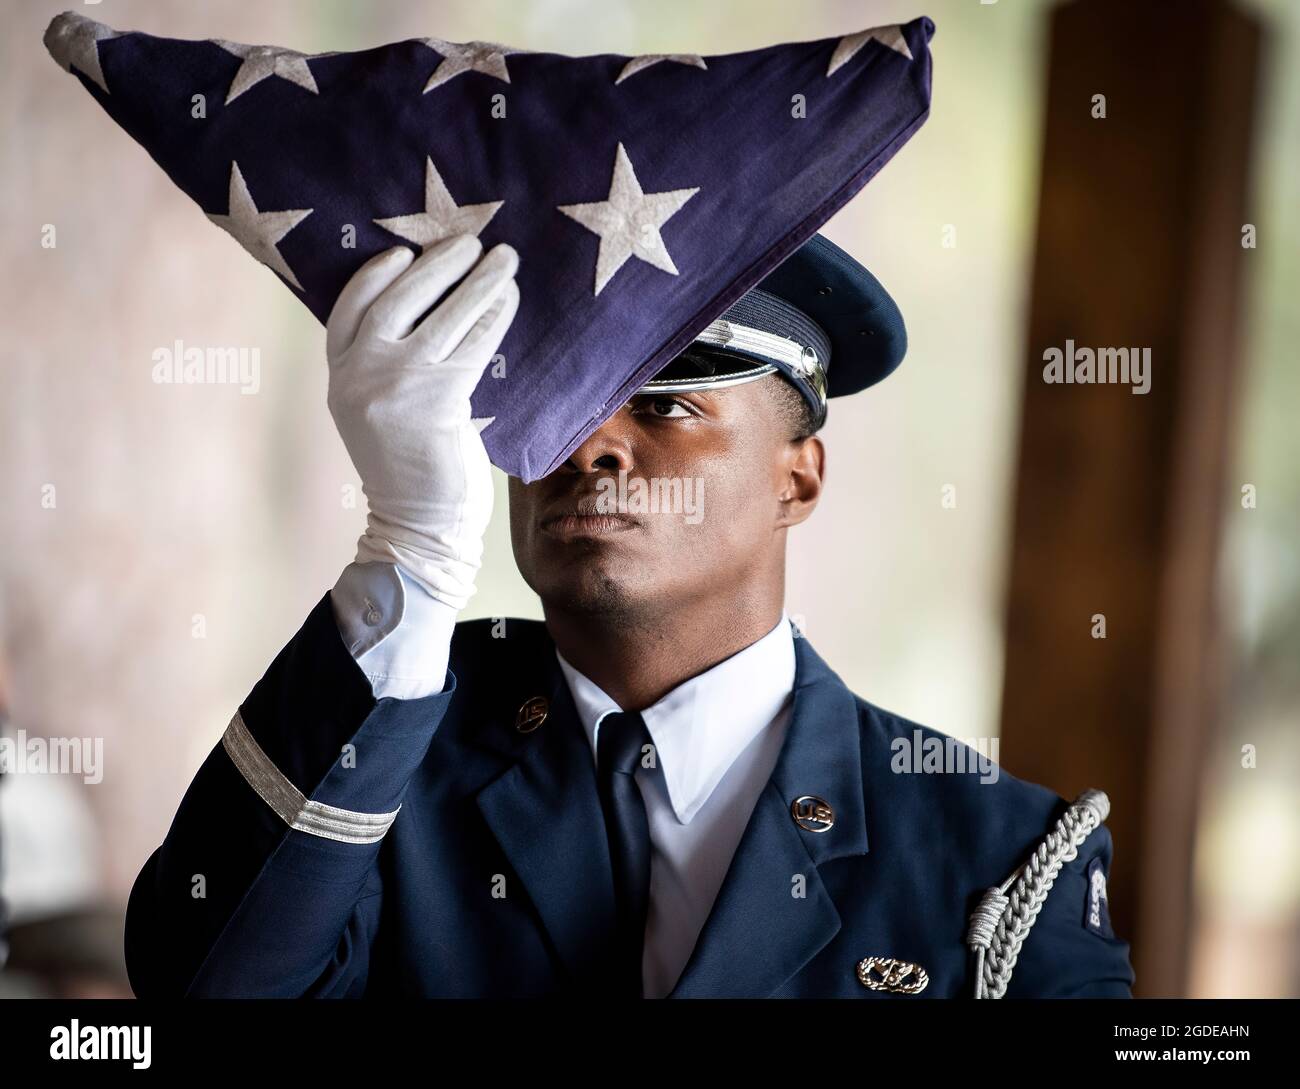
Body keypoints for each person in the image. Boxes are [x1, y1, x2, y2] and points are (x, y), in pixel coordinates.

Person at [124, 232, 1136, 998]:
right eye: (553, 410)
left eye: (664, 406)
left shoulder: (992, 853)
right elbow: (205, 980)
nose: (591, 449)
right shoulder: (390, 757)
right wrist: (409, 549)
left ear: (798, 478)